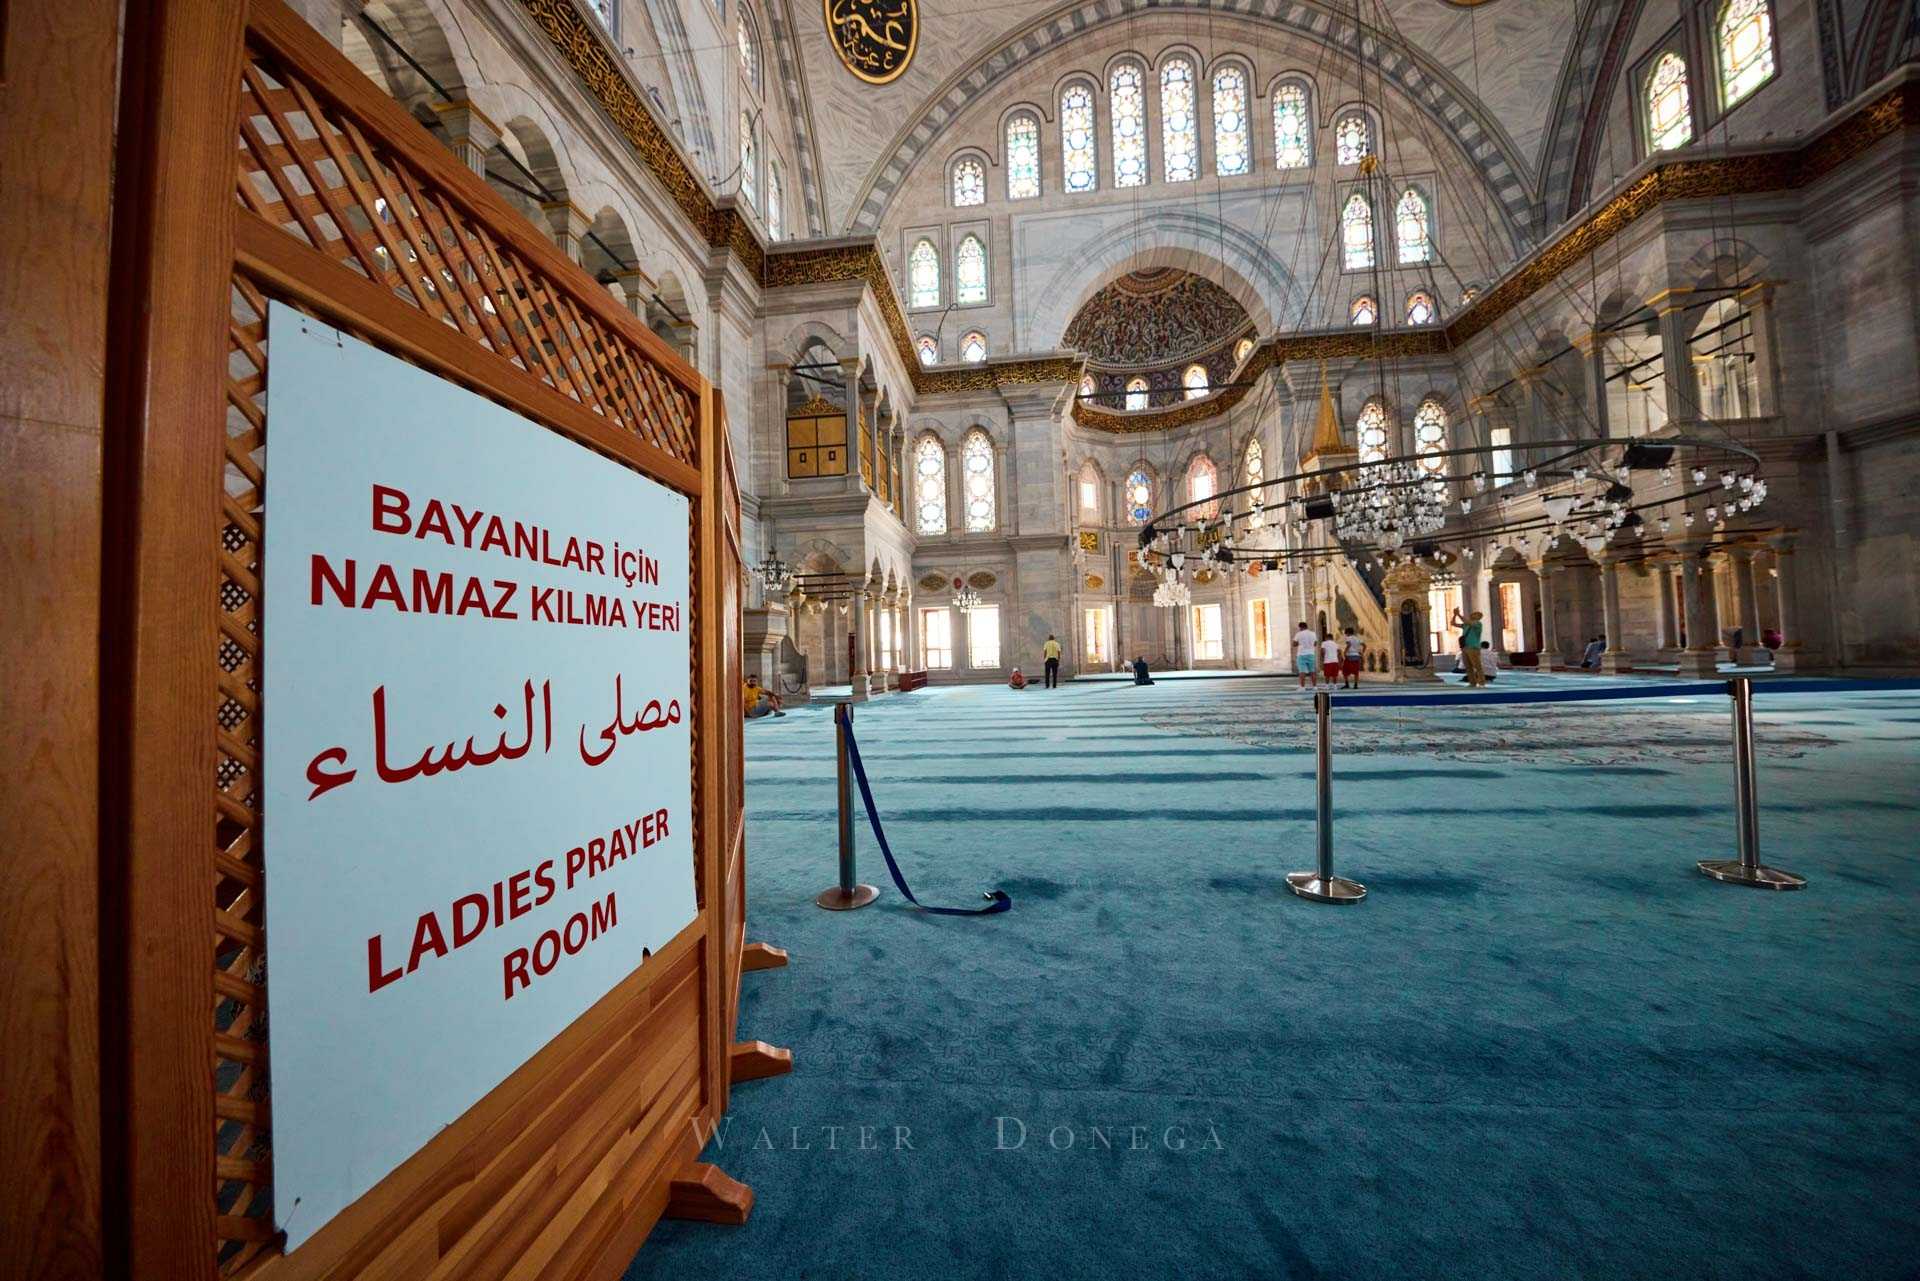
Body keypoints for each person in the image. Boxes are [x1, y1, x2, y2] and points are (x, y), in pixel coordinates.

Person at [1454, 609, 1486, 688]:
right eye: (1473, 613)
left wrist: (1458, 614)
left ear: (1479, 617)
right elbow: (1453, 624)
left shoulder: (1478, 624)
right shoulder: (1466, 625)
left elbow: (1468, 622)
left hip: (1473, 648)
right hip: (1465, 648)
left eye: (1476, 614)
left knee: (1477, 666)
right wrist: (1454, 615)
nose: (1473, 615)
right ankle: (1472, 682)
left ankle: (1481, 683)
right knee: (1468, 667)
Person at [1292, 622, 1318, 689]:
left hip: (1302, 654)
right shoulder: (1313, 633)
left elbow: (1294, 644)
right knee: (1312, 671)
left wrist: (1300, 643)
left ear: (1300, 627)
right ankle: (1314, 686)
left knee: (1302, 671)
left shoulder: (1299, 634)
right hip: (1311, 654)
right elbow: (1315, 643)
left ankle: (1302, 687)